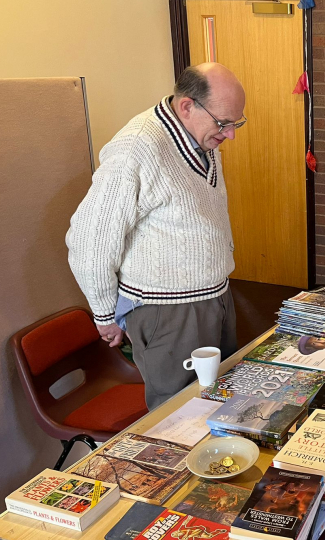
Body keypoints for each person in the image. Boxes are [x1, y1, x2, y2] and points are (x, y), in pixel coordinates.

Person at [66, 63, 248, 409]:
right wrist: (105, 315)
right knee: (178, 414)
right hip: (169, 312)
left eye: (236, 123)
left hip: (214, 297)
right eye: (224, 123)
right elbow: (89, 242)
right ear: (187, 106)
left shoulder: (199, 135)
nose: (231, 134)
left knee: (223, 400)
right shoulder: (137, 149)